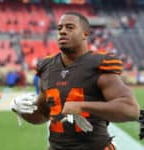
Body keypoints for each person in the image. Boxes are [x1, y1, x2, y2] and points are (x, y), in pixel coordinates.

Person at [10, 12, 140, 150]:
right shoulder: (47, 67)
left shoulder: (98, 64)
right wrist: (21, 109)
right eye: (59, 28)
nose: (63, 32)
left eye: (70, 27)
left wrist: (82, 106)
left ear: (85, 33)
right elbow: (43, 114)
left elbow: (131, 110)